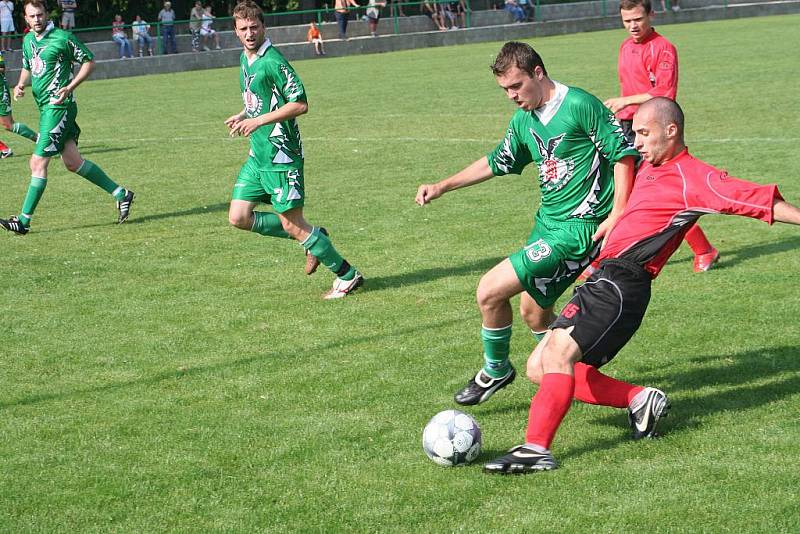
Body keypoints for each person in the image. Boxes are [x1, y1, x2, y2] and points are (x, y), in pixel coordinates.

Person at [482, 97, 800, 474]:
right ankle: (639, 399)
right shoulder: (649, 166)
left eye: (644, 133)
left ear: (672, 131)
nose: (638, 142)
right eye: (635, 133)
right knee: (538, 366)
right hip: (603, 278)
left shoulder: (694, 177)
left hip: (624, 283)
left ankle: (535, 448)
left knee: (556, 357)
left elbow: (755, 200)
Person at [415, 42, 637, 406]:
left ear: (538, 72)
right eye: (505, 90)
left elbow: (622, 154)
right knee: (534, 314)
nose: (512, 96)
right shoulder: (524, 120)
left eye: (516, 86)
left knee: (489, 290)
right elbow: (496, 161)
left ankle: (495, 370)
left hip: (578, 230)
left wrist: (618, 213)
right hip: (547, 226)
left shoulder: (580, 105)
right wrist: (443, 186)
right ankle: (568, 377)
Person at [224, 0, 363, 299]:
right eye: (243, 29)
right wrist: (244, 115)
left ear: (264, 27)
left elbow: (300, 103)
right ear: (235, 32)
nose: (249, 34)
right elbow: (259, 99)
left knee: (292, 223)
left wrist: (259, 120)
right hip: (257, 156)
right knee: (238, 217)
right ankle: (312, 237)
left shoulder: (273, 61)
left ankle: (347, 275)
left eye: (254, 27)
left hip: (280, 155)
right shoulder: (245, 59)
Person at [0, 0, 135, 235]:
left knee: (37, 162)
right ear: (26, 19)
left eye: (40, 15)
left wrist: (70, 87)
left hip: (58, 108)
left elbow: (89, 61)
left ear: (46, 14)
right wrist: (20, 84)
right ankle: (122, 194)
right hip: (45, 109)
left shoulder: (62, 38)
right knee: (73, 162)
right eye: (32, 16)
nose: (37, 19)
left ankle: (23, 221)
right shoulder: (29, 40)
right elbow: (28, 65)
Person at [603, 0, 718, 274]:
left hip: (652, 128)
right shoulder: (625, 46)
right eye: (627, 20)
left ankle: (703, 249)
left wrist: (625, 100)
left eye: (638, 19)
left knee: (654, 194)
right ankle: (611, 253)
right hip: (626, 125)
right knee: (625, 191)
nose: (633, 26)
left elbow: (666, 92)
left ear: (651, 15)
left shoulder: (663, 48)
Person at [0, 49, 38, 158]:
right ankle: (4, 149)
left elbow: (2, 69)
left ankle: (41, 141)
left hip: (1, 90)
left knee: (8, 124)